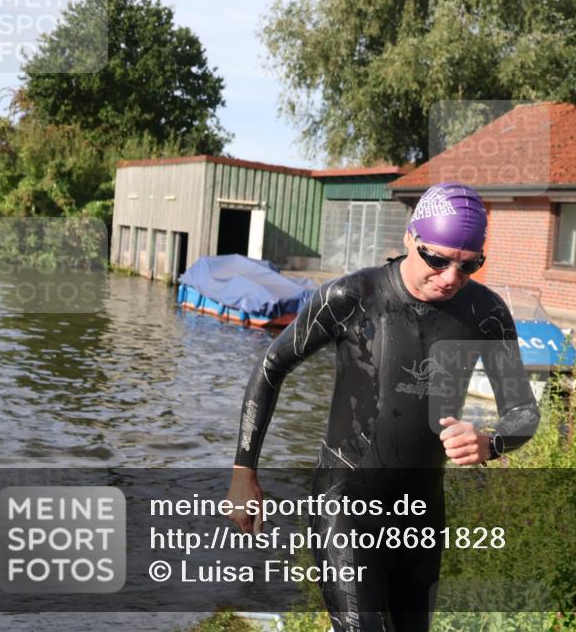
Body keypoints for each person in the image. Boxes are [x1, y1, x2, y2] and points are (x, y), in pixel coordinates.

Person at [226, 182, 539, 631]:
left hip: (421, 510)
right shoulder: (351, 298)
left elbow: (524, 410)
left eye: (469, 265)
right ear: (411, 237)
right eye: (437, 258)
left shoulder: (486, 313)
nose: (451, 276)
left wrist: (492, 442)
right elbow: (271, 367)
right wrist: (243, 472)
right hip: (345, 501)